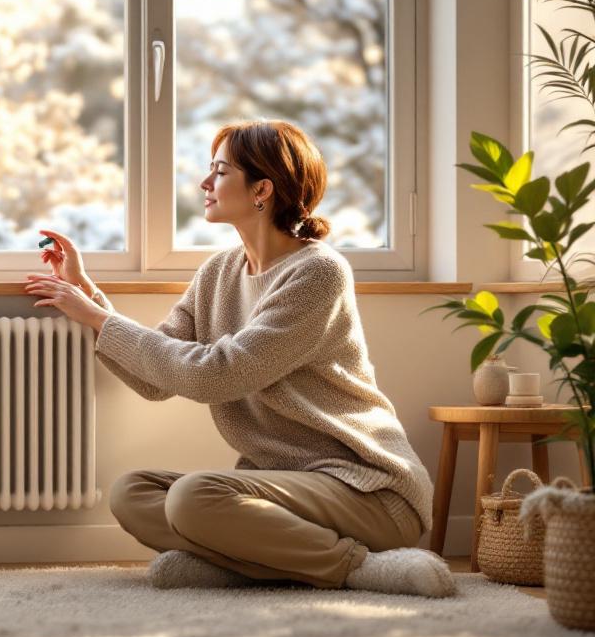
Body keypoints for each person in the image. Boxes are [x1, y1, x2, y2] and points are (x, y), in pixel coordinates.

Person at [23, 119, 453, 597]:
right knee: (133, 492)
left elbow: (217, 376)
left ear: (262, 189)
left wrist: (100, 320)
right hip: (282, 489)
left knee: (193, 498)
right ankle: (256, 563)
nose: (205, 183)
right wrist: (87, 296)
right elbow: (156, 381)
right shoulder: (219, 272)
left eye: (220, 172)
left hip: (366, 489)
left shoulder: (318, 273)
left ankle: (354, 567)